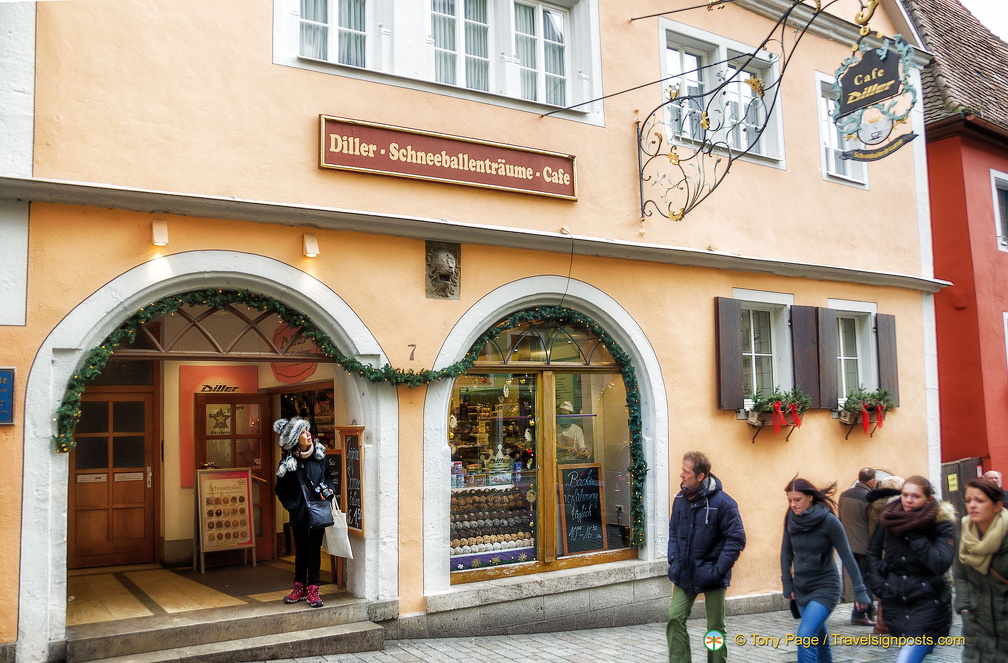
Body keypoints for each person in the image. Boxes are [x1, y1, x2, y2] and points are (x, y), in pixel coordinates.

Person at [865, 475, 955, 663]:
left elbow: (940, 563)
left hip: (929, 601)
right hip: (897, 600)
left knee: (906, 659)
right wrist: (880, 585)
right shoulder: (890, 518)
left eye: (915, 496)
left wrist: (914, 532)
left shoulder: (941, 523)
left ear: (928, 499)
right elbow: (873, 552)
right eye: (905, 495)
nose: (908, 500)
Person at [781, 477, 871, 663]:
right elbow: (785, 551)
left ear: (810, 498)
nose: (793, 504)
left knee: (805, 636)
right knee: (819, 639)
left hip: (825, 588)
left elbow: (847, 556)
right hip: (801, 589)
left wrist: (860, 592)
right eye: (790, 500)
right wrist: (787, 583)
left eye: (797, 500)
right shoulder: (791, 518)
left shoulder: (829, 521)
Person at [667, 451, 746, 663]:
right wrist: (674, 558)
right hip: (684, 571)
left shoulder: (724, 503)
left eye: (686, 472)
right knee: (675, 617)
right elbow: (673, 530)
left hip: (712, 574)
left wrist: (718, 570)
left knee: (715, 628)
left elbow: (736, 539)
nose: (681, 475)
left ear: (700, 476)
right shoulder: (681, 499)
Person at [273, 416, 335, 608]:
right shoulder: (288, 463)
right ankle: (299, 586)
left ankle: (314, 589)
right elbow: (280, 490)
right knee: (301, 551)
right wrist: (293, 507)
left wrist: (329, 490)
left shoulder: (320, 457)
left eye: (307, 431)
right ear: (294, 439)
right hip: (299, 514)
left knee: (314, 550)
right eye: (302, 432)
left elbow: (328, 477)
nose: (308, 434)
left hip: (318, 512)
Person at [954, 478, 1008, 663]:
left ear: (997, 506)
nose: (972, 506)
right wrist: (965, 608)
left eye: (980, 500)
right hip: (977, 626)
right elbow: (960, 575)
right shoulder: (965, 536)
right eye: (968, 501)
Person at [864, 475, 904, 635]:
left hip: (878, 550)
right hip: (892, 551)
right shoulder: (896, 507)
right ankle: (886, 622)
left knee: (883, 589)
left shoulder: (874, 506)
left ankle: (881, 623)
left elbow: (871, 529)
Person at [838, 467, 877, 626]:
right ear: (872, 481)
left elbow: (840, 518)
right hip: (864, 547)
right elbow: (872, 525)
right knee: (865, 580)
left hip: (847, 545)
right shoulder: (869, 497)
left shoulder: (843, 495)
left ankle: (869, 610)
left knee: (857, 579)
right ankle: (860, 613)